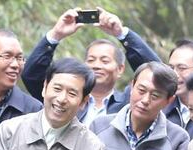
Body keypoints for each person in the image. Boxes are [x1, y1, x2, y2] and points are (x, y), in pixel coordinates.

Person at [22, 7, 160, 125]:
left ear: (120, 69)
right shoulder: (66, 99)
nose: (96, 66)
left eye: (105, 61)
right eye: (91, 60)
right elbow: (31, 75)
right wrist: (55, 35)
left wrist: (122, 34)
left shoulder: (130, 102)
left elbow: (158, 75)